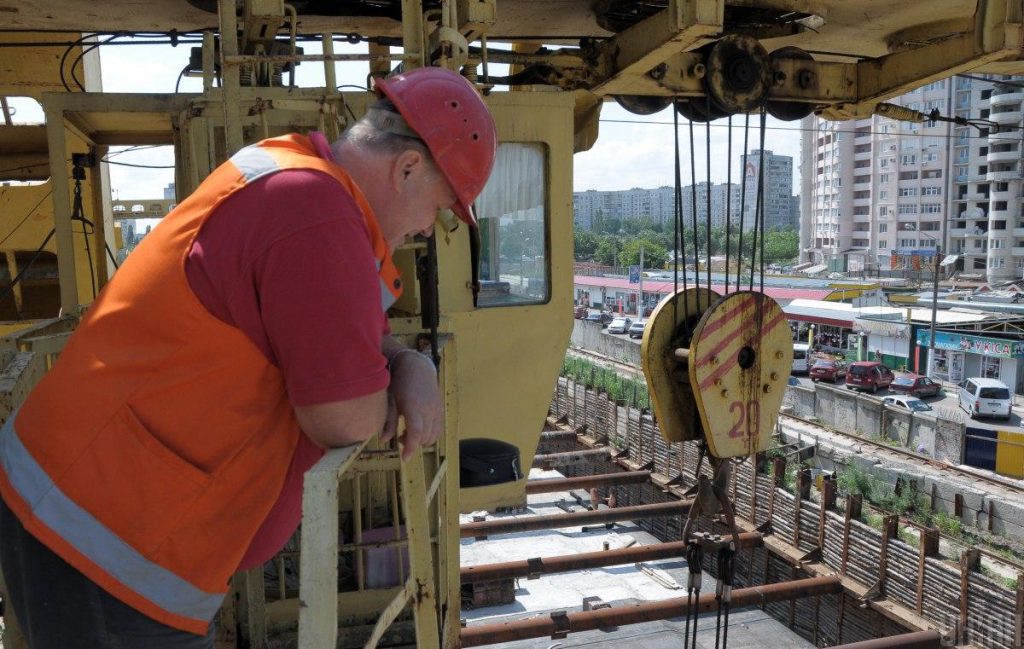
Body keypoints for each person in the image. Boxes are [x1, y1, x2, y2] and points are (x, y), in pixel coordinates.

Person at [0, 66, 497, 648]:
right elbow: (343, 415)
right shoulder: (317, 213)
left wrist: (405, 362)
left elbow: (339, 328)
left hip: (94, 514)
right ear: (408, 168)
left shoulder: (297, 181)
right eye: (437, 209)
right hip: (103, 536)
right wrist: (395, 386)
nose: (425, 230)